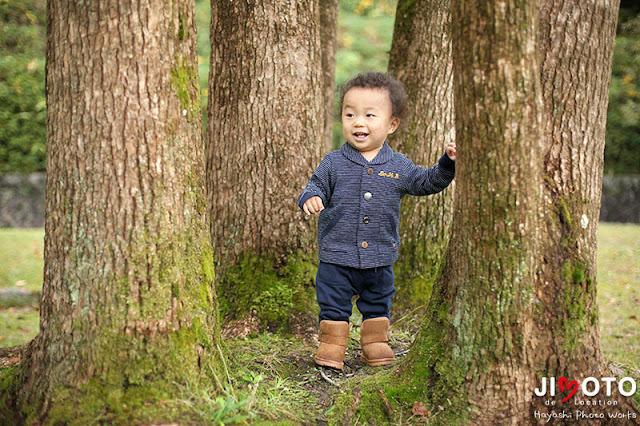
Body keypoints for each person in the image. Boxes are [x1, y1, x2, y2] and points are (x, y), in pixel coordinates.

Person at [297, 72, 456, 370]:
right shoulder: (333, 162)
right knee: (333, 301)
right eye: (350, 114)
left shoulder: (399, 166)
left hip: (380, 255)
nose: (359, 122)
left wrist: (448, 163)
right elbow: (315, 185)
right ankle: (332, 345)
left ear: (391, 124)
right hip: (337, 254)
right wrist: (309, 197)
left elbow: (426, 182)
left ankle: (375, 344)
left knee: (378, 300)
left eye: (370, 115)